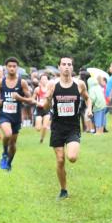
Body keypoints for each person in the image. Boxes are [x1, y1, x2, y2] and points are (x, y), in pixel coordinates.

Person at [43, 56, 91, 199]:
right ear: (59, 67)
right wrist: (48, 98)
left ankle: (64, 184)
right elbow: (45, 107)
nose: (66, 67)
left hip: (73, 127)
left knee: (72, 157)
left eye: (69, 64)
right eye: (63, 64)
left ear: (72, 67)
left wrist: (89, 109)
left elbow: (88, 98)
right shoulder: (52, 85)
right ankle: (63, 190)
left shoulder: (79, 84)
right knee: (60, 160)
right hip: (57, 126)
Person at [0, 57, 35, 171]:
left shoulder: (22, 83)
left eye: (14, 66)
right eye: (10, 66)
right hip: (4, 114)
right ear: (6, 68)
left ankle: (9, 163)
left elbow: (31, 100)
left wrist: (20, 98)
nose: (12, 68)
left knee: (12, 144)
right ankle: (4, 152)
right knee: (7, 134)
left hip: (16, 117)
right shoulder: (0, 82)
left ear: (17, 68)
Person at [34, 74, 52, 144]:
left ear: (48, 80)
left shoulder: (50, 90)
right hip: (39, 109)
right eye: (43, 79)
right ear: (40, 80)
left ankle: (42, 139)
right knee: (38, 128)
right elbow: (33, 99)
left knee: (45, 126)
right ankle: (38, 126)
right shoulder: (37, 89)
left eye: (45, 79)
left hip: (46, 109)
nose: (44, 80)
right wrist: (38, 103)